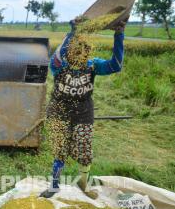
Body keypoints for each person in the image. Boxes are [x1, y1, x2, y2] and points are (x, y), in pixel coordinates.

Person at [39, 19, 126, 199]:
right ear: (70, 52)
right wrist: (73, 32)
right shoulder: (59, 66)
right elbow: (57, 55)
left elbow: (115, 65)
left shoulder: (92, 66)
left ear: (88, 53)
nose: (81, 55)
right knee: (59, 151)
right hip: (59, 112)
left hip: (83, 114)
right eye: (77, 51)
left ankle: (83, 184)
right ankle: (54, 186)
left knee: (85, 151)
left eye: (85, 52)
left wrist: (119, 34)